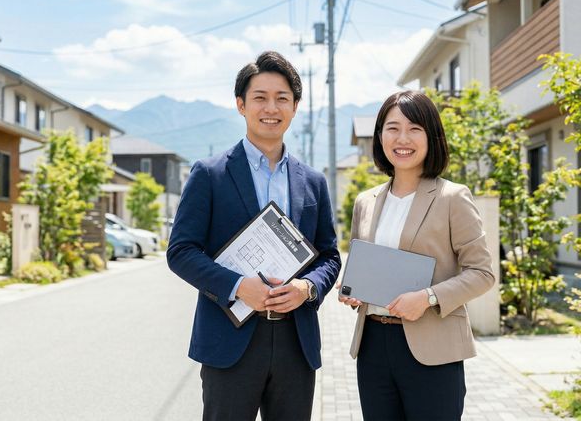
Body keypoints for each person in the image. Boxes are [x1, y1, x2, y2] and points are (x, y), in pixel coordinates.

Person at [166, 51, 341, 420]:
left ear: (295, 107)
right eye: (260, 97)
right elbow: (181, 251)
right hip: (229, 341)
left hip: (297, 341)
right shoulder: (210, 174)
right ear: (241, 105)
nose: (271, 108)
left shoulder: (313, 181)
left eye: (282, 98)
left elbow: (329, 256)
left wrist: (307, 289)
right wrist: (238, 286)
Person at [338, 90, 495, 420]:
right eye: (392, 128)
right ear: (380, 135)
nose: (402, 138)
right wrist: (352, 290)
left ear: (431, 136)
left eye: (414, 128)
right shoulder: (366, 201)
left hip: (433, 348)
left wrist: (428, 297)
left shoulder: (453, 197)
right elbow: (361, 263)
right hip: (373, 347)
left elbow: (482, 272)